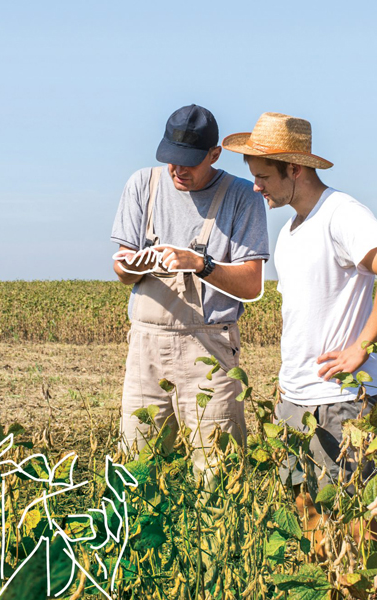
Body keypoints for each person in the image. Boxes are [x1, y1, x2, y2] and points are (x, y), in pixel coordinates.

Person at [222, 112, 377, 515]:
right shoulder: (290, 231)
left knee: (354, 527)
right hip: (295, 400)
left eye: (263, 176)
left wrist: (362, 347)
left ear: (294, 168)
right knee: (306, 518)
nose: (255, 186)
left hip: (340, 400)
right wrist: (286, 385)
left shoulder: (340, 213)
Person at [111, 104, 269, 477]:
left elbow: (251, 283)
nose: (178, 170)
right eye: (171, 160)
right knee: (137, 464)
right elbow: (119, 267)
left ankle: (218, 536)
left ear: (214, 155)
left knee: (219, 473)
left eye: (189, 162)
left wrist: (199, 264)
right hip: (145, 347)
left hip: (209, 348)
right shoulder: (142, 184)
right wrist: (134, 266)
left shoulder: (243, 196)